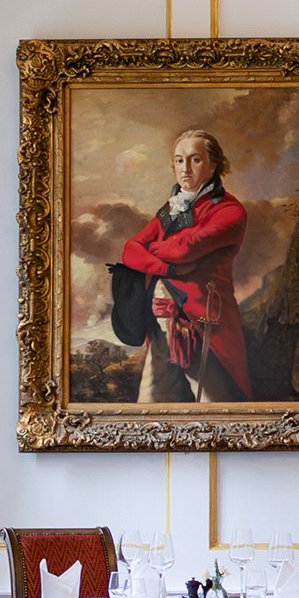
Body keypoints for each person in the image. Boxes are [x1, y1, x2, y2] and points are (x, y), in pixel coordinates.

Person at [112, 128, 256, 401]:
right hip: (160, 317)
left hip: (202, 319)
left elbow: (185, 249)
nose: (185, 168)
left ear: (213, 165)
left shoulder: (229, 210)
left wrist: (151, 249)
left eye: (195, 159)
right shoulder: (172, 209)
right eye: (179, 160)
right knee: (152, 399)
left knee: (213, 400)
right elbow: (130, 250)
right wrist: (167, 269)